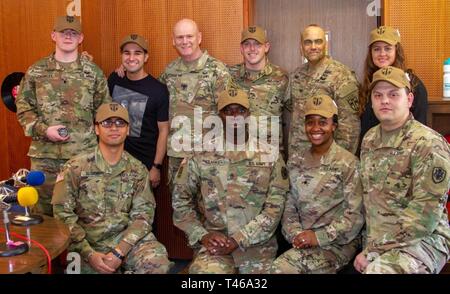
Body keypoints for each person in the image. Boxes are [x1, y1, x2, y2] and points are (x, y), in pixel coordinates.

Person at [172, 88, 289, 273]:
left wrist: (239, 238)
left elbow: (274, 210)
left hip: (256, 248)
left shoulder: (270, 155)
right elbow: (180, 202)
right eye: (228, 111)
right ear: (220, 116)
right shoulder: (200, 153)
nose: (235, 116)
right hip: (215, 245)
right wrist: (202, 235)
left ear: (249, 115)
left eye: (240, 111)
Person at [52, 103, 172, 274]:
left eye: (120, 123)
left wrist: (119, 251)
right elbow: (62, 215)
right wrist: (88, 253)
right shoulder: (75, 168)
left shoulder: (137, 169)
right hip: (86, 243)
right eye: (107, 123)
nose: (114, 128)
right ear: (96, 129)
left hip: (127, 242)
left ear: (128, 130)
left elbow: (143, 216)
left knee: (157, 264)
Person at [354, 66, 450, 274]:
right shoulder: (370, 139)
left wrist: (374, 251)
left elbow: (424, 217)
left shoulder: (428, 143)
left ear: (409, 99)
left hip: (423, 241)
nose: (385, 100)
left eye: (393, 94)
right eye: (378, 95)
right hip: (380, 242)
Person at [15, 15, 111, 216]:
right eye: (63, 32)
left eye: (73, 33)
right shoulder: (36, 72)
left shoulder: (93, 73)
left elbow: (104, 114)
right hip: (45, 159)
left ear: (80, 38)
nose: (68, 36)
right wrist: (44, 130)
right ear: (53, 36)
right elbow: (23, 108)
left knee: (85, 215)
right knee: (43, 217)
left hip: (82, 158)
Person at [158, 19, 231, 258]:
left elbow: (228, 114)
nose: (185, 41)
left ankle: (212, 264)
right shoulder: (169, 72)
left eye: (189, 36)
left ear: (199, 37)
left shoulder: (217, 70)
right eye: (180, 37)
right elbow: (155, 103)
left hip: (209, 158)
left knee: (211, 211)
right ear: (173, 41)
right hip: (178, 158)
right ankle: (200, 260)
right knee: (184, 213)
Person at [271, 94, 364, 274]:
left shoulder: (348, 163)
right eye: (310, 122)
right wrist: (296, 234)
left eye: (323, 122)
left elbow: (355, 216)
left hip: (337, 244)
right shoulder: (295, 161)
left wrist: (318, 237)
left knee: (280, 270)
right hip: (302, 240)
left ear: (334, 125)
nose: (315, 128)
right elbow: (288, 205)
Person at [287, 24, 360, 156]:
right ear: (301, 47)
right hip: (297, 159)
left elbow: (349, 128)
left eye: (318, 41)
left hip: (326, 163)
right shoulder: (295, 75)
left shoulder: (342, 75)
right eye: (308, 42)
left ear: (325, 45)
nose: (313, 47)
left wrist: (339, 163)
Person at [108, 34, 169, 188]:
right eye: (127, 53)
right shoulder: (114, 80)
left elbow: (163, 131)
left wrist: (156, 166)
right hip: (113, 164)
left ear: (146, 57)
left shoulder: (158, 90)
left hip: (144, 167)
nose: (131, 57)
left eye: (137, 53)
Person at [359, 26, 428, 142]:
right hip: (372, 151)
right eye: (376, 49)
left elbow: (420, 127)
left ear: (397, 50)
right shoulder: (368, 85)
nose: (382, 53)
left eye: (387, 48)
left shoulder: (414, 85)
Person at [228, 26, 289, 155]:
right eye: (247, 44)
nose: (252, 49)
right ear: (241, 48)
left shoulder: (282, 78)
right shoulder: (229, 77)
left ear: (266, 47)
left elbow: (297, 114)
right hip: (238, 158)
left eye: (257, 44)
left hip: (270, 158)